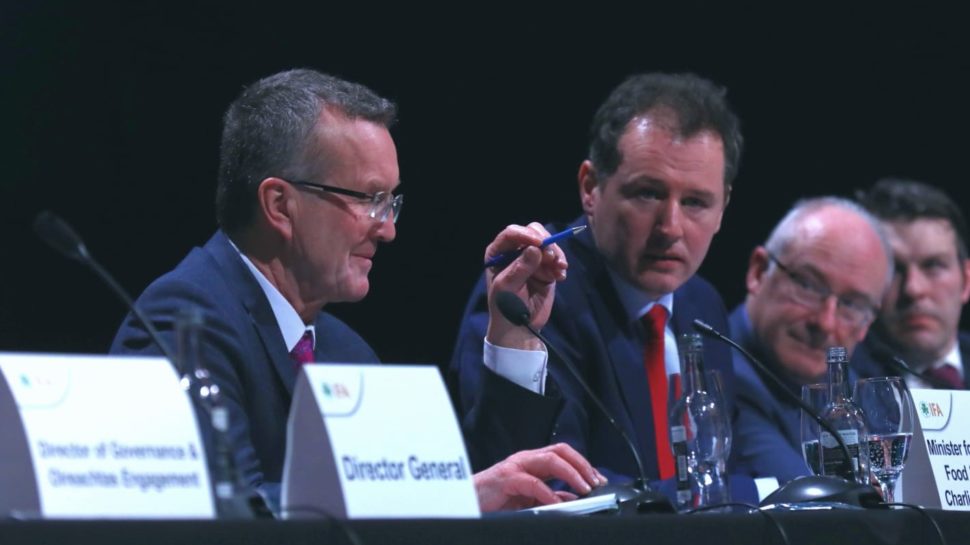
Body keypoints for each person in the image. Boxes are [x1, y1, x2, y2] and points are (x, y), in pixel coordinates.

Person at [110, 68, 604, 513]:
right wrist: (446, 497)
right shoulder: (181, 322)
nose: (387, 230)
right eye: (370, 199)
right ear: (279, 205)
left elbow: (480, 501)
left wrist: (512, 335)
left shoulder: (346, 351)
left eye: (392, 202)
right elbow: (227, 513)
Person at [451, 72, 754, 498]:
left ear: (723, 207)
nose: (670, 228)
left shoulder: (703, 305)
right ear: (591, 188)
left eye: (695, 202)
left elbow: (722, 463)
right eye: (648, 194)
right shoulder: (535, 291)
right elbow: (549, 485)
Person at [730, 197, 892, 483]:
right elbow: (807, 497)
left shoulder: (858, 390)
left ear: (868, 323)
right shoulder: (724, 374)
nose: (825, 323)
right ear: (758, 272)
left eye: (851, 304)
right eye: (808, 286)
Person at [853, 178, 970, 390]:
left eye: (933, 265)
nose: (913, 289)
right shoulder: (834, 384)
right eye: (894, 269)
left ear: (966, 281)